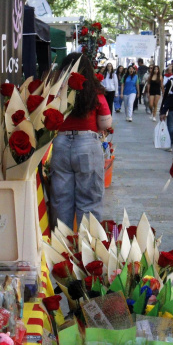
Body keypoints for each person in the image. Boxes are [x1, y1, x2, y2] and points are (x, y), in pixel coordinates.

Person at [50, 53, 112, 227]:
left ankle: (62, 246)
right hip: (87, 144)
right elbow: (105, 122)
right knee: (90, 199)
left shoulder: (56, 91)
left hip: (61, 144)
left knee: (61, 199)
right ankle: (88, 245)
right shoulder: (94, 93)